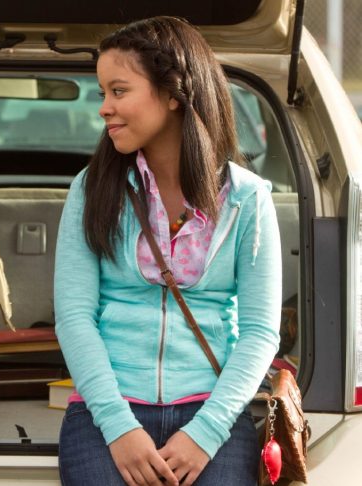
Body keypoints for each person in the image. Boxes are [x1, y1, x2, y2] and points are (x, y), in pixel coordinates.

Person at [54, 16, 281, 486]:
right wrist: (119, 428)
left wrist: (207, 431)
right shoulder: (90, 188)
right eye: (103, 93)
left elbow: (260, 332)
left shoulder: (248, 197)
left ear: (174, 94)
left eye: (118, 91)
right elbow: (75, 316)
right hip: (105, 413)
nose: (104, 108)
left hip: (212, 412)